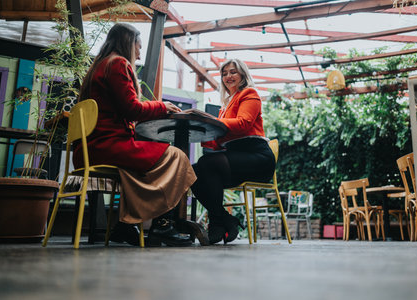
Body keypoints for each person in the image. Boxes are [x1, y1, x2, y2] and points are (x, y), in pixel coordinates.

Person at [73, 23, 195, 247]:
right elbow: (132, 109)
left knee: (142, 167)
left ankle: (126, 225)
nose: (138, 54)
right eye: (138, 48)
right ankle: (162, 226)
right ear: (129, 44)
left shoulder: (98, 66)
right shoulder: (118, 63)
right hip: (108, 146)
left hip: (90, 149)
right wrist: (162, 107)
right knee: (177, 156)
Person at [191, 59, 276, 244]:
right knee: (192, 172)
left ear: (243, 75)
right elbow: (220, 139)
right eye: (224, 73)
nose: (228, 76)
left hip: (257, 157)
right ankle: (225, 220)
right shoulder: (225, 106)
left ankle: (216, 223)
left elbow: (243, 124)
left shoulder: (249, 94)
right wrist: (204, 131)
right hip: (235, 158)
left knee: (206, 165)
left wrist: (211, 122)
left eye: (233, 72)